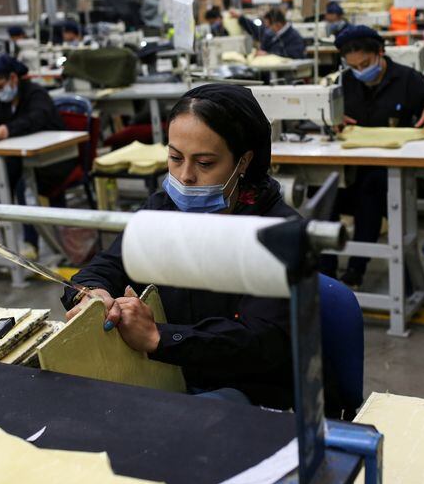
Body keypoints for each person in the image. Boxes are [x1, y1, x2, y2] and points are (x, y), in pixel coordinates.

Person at [62, 84, 296, 409]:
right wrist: (92, 294)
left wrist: (159, 337)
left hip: (247, 388)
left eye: (204, 163)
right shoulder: (162, 209)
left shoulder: (275, 232)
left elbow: (261, 342)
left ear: (243, 161)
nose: (185, 176)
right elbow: (107, 266)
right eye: (175, 158)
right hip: (168, 373)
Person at [324, 25, 424, 287]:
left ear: (380, 52)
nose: (360, 71)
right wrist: (333, 120)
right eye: (353, 66)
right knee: (323, 192)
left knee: (370, 192)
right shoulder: (345, 82)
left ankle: (356, 268)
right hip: (351, 164)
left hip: (390, 168)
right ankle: (326, 273)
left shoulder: (406, 78)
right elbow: (325, 115)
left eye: (365, 64)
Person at [0, 54, 72, 258]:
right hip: (24, 159)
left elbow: (36, 119)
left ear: (13, 78)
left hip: (54, 160)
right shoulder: (5, 102)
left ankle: (30, 243)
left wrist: (8, 129)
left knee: (22, 182)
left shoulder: (36, 94)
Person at [234, 7, 306, 59]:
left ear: (278, 24)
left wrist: (268, 54)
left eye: (269, 26)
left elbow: (294, 54)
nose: (267, 28)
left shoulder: (294, 38)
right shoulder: (271, 34)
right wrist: (241, 18)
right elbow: (256, 29)